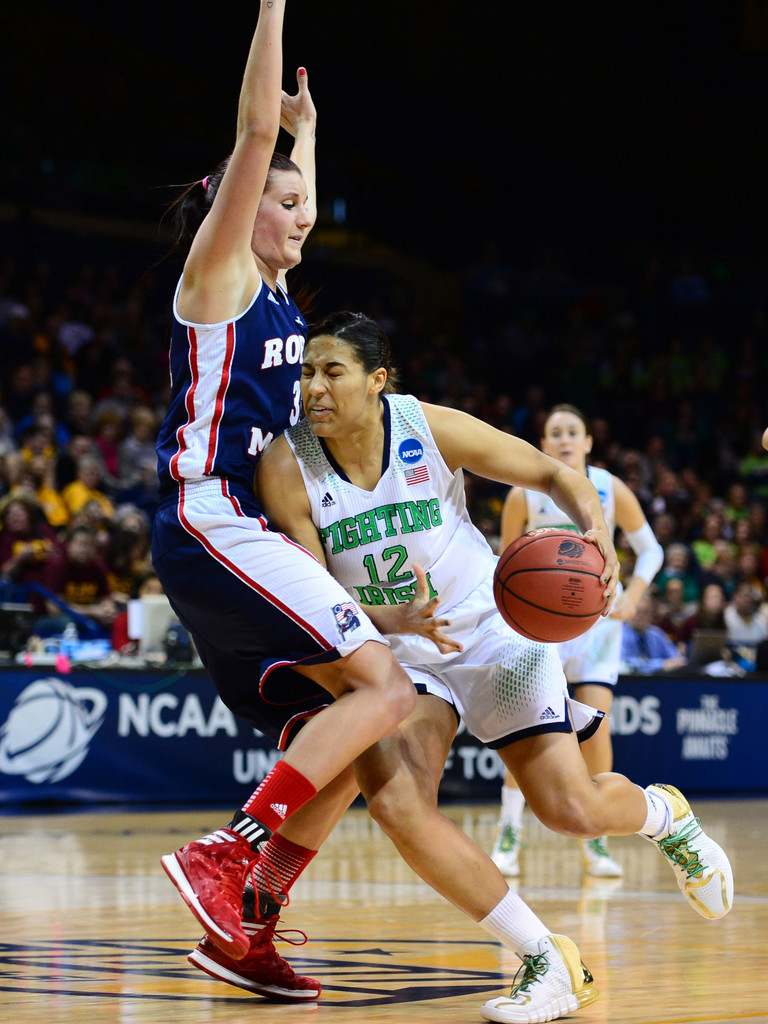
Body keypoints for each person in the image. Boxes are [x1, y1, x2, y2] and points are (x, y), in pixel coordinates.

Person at [250, 311, 732, 1024]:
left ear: (377, 380)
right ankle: (545, 958)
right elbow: (317, 592)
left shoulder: (424, 426)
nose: (314, 387)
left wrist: (598, 533)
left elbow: (549, 473)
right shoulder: (287, 464)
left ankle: (665, 816)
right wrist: (390, 620)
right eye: (306, 373)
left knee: (570, 810)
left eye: (332, 371)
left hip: (492, 631)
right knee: (397, 805)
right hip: (398, 652)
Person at [150, 1, 419, 995]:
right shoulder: (217, 273)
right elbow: (254, 135)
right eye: (287, 202)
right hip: (210, 514)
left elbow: (280, 158)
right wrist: (271, 11)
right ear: (239, 203)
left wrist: (307, 140)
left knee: (350, 727)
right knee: (387, 687)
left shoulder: (272, 292)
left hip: (239, 529)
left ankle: (248, 924)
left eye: (311, 204)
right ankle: (228, 853)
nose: (305, 215)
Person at [490, 404, 665, 879]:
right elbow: (503, 567)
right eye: (556, 433)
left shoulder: (610, 488)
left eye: (573, 432)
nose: (565, 439)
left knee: (597, 730)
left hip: (598, 625)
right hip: (539, 628)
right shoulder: (524, 493)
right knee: (528, 727)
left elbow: (651, 550)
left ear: (588, 441)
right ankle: (509, 833)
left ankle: (597, 840)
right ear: (544, 445)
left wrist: (634, 597)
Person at [620, 594, 688, 673]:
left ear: (651, 614)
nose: (641, 617)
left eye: (646, 612)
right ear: (628, 613)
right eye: (638, 612)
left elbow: (676, 658)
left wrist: (678, 661)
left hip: (657, 679)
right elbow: (625, 664)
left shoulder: (656, 634)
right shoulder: (620, 635)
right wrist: (661, 665)